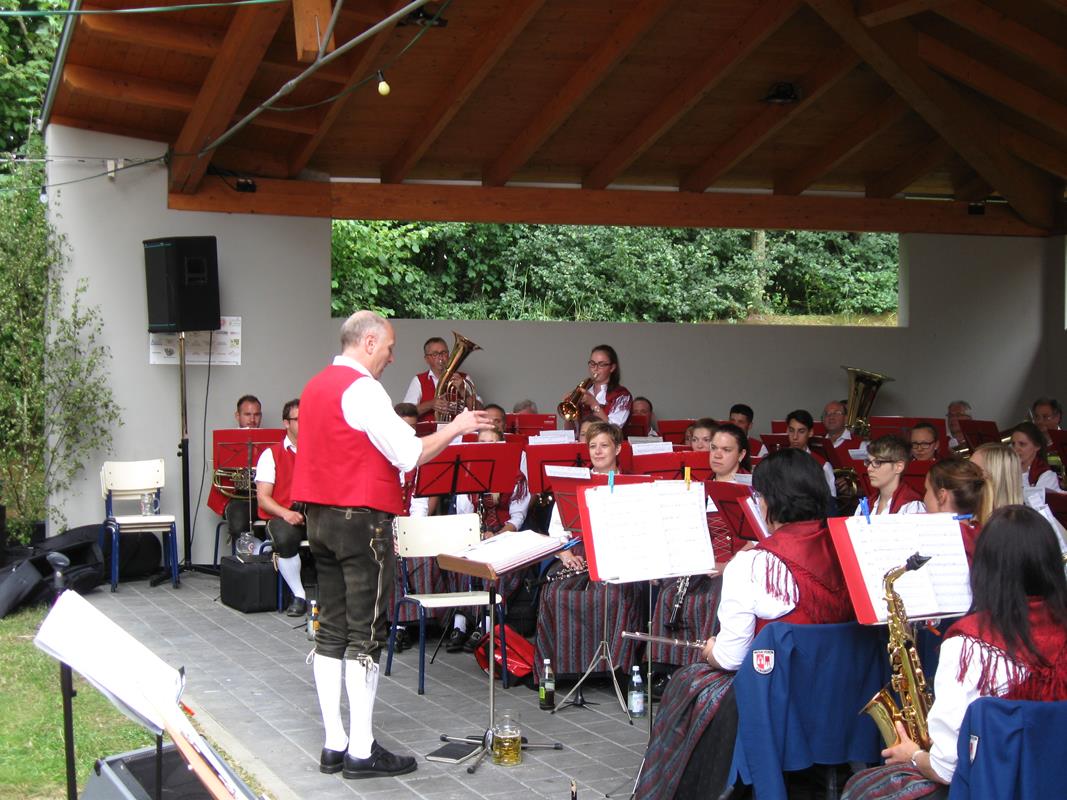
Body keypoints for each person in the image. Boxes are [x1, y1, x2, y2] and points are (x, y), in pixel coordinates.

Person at [292, 310, 491, 780]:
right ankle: (361, 750)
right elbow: (407, 454)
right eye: (388, 346)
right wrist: (456, 427)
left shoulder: (315, 385)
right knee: (366, 635)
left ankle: (333, 743)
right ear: (367, 341)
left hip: (319, 519)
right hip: (360, 521)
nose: (391, 355)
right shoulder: (361, 389)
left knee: (331, 632)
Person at [636, 448, 854, 799]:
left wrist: (711, 651)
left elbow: (733, 658)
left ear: (767, 502)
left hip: (779, 697)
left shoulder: (753, 564)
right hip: (846, 690)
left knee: (687, 683)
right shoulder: (852, 547)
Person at [842, 505, 1067, 800]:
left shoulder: (968, 646)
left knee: (861, 787)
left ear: (985, 569)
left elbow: (945, 769)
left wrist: (912, 753)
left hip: (989, 788)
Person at [535, 422, 644, 676]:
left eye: (604, 445)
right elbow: (557, 527)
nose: (597, 451)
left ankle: (613, 667)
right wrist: (564, 553)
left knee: (615, 597)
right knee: (555, 593)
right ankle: (562, 668)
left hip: (618, 558)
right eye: (592, 446)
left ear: (617, 448)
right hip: (578, 554)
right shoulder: (572, 482)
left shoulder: (632, 484)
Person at [648, 424, 751, 685]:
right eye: (714, 448)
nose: (716, 455)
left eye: (726, 450)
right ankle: (667, 670)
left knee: (709, 599)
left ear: (740, 455)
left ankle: (703, 668)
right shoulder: (697, 488)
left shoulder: (750, 490)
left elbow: (758, 539)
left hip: (736, 566)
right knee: (669, 593)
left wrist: (727, 566)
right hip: (700, 563)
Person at [447, 426, 531, 652]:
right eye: (482, 441)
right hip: (474, 532)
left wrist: (496, 537)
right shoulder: (468, 470)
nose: (487, 446)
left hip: (505, 534)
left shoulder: (516, 475)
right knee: (460, 561)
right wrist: (478, 535)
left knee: (498, 566)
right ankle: (461, 623)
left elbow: (517, 517)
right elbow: (464, 513)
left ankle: (485, 624)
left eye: (492, 441)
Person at [254, 399, 309, 617]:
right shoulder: (271, 454)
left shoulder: (319, 450)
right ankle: (299, 595)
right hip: (283, 515)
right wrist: (286, 513)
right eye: (299, 419)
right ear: (286, 423)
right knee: (286, 539)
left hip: (314, 513)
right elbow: (263, 498)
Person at [219, 395, 264, 546]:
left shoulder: (270, 440)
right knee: (238, 525)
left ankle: (268, 558)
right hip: (238, 496)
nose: (252, 420)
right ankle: (252, 555)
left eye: (256, 415)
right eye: (247, 414)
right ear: (237, 416)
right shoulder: (226, 441)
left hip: (267, 495)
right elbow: (220, 478)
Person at [402, 336, 479, 422]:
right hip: (428, 433)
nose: (441, 357)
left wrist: (463, 390)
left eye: (443, 353)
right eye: (435, 354)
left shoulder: (464, 378)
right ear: (427, 359)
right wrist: (430, 404)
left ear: (449, 355)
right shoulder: (418, 380)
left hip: (459, 433)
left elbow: (479, 412)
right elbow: (406, 413)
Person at [923, 458, 988, 559]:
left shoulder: (937, 539)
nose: (924, 497)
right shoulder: (981, 534)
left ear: (941, 496)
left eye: (926, 490)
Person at [856, 436, 926, 516]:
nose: (869, 468)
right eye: (868, 462)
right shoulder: (866, 505)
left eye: (877, 462)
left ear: (898, 467)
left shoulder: (912, 507)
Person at [566, 344, 632, 428]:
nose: (595, 368)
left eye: (601, 364)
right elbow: (573, 432)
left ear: (612, 368)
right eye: (592, 363)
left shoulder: (622, 395)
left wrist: (593, 404)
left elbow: (615, 429)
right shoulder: (584, 392)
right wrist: (569, 413)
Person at [786, 409, 837, 499]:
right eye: (791, 430)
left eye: (801, 431)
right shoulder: (777, 461)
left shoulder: (822, 466)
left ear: (810, 433)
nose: (795, 437)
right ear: (787, 430)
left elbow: (830, 502)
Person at [1011, 421, 1061, 493]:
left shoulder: (1046, 476)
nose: (1015, 449)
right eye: (1013, 444)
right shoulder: (1006, 469)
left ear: (1037, 446)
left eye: (1022, 444)